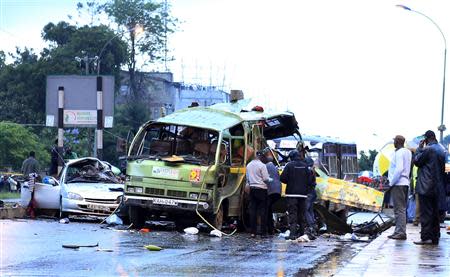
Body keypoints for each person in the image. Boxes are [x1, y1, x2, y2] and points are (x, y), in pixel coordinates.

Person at [413, 130, 446, 245]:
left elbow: (417, 161)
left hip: (426, 186)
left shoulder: (428, 149)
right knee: (435, 213)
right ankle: (435, 237)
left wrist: (419, 149)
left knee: (426, 213)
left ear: (426, 139)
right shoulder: (441, 150)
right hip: (437, 187)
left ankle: (426, 237)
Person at [280, 149, 315, 240]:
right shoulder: (305, 166)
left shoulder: (289, 166)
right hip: (303, 195)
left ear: (291, 157)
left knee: (292, 213)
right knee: (301, 214)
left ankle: (292, 234)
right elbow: (310, 181)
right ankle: (302, 233)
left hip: (291, 194)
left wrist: (290, 181)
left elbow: (282, 178)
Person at [387, 135, 412, 240]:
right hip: (405, 182)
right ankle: (398, 231)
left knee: (399, 209)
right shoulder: (408, 152)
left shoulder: (399, 153)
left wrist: (391, 182)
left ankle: (400, 232)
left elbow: (399, 169)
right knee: (401, 208)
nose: (394, 143)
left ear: (397, 142)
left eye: (394, 141)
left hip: (398, 183)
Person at [246, 150, 271, 238]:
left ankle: (253, 232)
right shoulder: (262, 165)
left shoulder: (248, 165)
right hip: (262, 189)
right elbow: (266, 179)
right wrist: (269, 180)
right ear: (260, 157)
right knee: (263, 211)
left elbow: (247, 178)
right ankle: (263, 233)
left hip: (252, 189)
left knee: (253, 211)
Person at [261, 149, 281, 235]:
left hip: (271, 191)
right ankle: (270, 228)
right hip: (277, 191)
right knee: (269, 209)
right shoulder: (273, 167)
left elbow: (265, 179)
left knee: (266, 210)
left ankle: (266, 229)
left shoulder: (266, 167)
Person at [304, 155, 317, 237]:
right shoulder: (313, 170)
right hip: (313, 193)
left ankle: (311, 226)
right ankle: (313, 227)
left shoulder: (308, 171)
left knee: (305, 210)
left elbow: (307, 182)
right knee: (310, 210)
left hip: (308, 193)